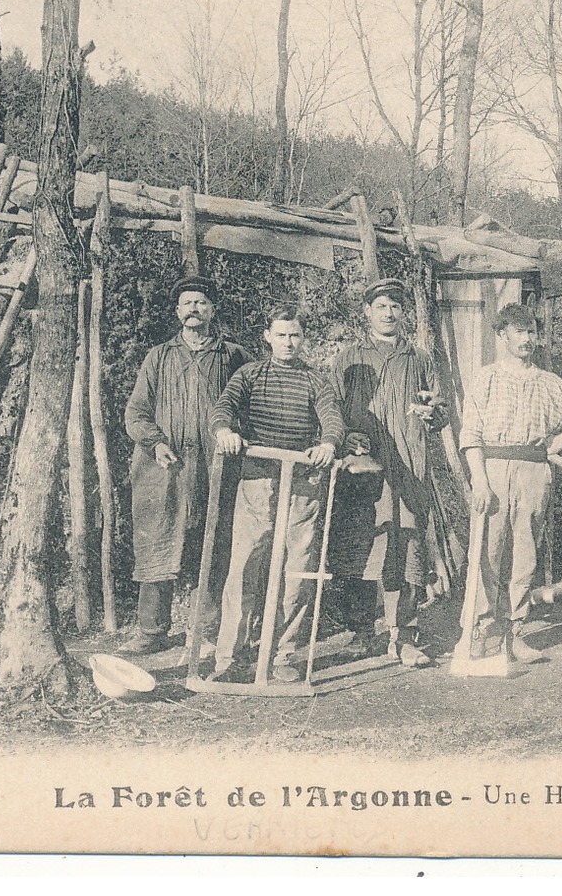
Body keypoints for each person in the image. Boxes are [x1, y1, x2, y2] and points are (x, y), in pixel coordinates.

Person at [457, 303, 562, 664]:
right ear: (501, 336)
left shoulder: (548, 382)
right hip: (492, 468)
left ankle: (513, 632)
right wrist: (479, 480)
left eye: (531, 332)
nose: (527, 339)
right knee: (488, 551)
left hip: (534, 470)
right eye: (519, 331)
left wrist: (556, 444)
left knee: (525, 553)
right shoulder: (486, 377)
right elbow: (471, 433)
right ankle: (481, 630)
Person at [210, 305, 344, 681]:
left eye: (295, 335)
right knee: (244, 567)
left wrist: (329, 444)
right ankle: (229, 659)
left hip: (301, 483)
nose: (288, 342)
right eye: (281, 335)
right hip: (258, 479)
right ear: (267, 336)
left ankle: (284, 655)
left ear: (303, 339)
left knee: (297, 570)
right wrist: (225, 431)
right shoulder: (250, 373)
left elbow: (332, 417)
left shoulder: (315, 380)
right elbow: (224, 406)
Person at [121, 276, 250, 655]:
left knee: (213, 543)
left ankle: (206, 632)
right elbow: (136, 412)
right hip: (165, 467)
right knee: (158, 540)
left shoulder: (233, 356)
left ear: (213, 310)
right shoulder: (158, 356)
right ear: (177, 312)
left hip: (217, 465)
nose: (194, 308)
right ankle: (151, 630)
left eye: (202, 302)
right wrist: (156, 443)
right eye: (187, 303)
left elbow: (252, 406)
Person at [329, 278, 447, 669]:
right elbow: (329, 413)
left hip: (409, 467)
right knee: (362, 546)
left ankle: (407, 635)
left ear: (403, 313)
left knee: (408, 546)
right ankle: (362, 632)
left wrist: (434, 415)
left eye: (396, 306)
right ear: (367, 312)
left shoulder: (420, 358)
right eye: (381, 306)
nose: (389, 313)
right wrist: (347, 439)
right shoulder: (347, 358)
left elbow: (441, 411)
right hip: (364, 470)